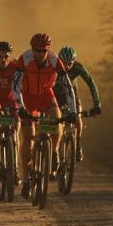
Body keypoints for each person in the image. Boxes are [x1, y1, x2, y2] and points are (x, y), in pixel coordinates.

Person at [12, 33, 76, 199]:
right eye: (38, 51)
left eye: (44, 51)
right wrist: (20, 107)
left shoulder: (54, 59)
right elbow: (15, 85)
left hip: (46, 94)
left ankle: (53, 151)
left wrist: (74, 111)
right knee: (28, 138)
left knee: (57, 118)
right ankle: (26, 180)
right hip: (27, 96)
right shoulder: (24, 59)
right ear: (32, 49)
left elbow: (67, 85)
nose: (41, 54)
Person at [54, 46, 102, 162]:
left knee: (78, 116)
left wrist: (97, 104)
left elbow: (91, 84)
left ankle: (78, 144)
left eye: (69, 63)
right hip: (56, 97)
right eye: (63, 63)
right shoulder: (54, 66)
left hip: (72, 97)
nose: (66, 66)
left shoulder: (78, 67)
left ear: (74, 61)